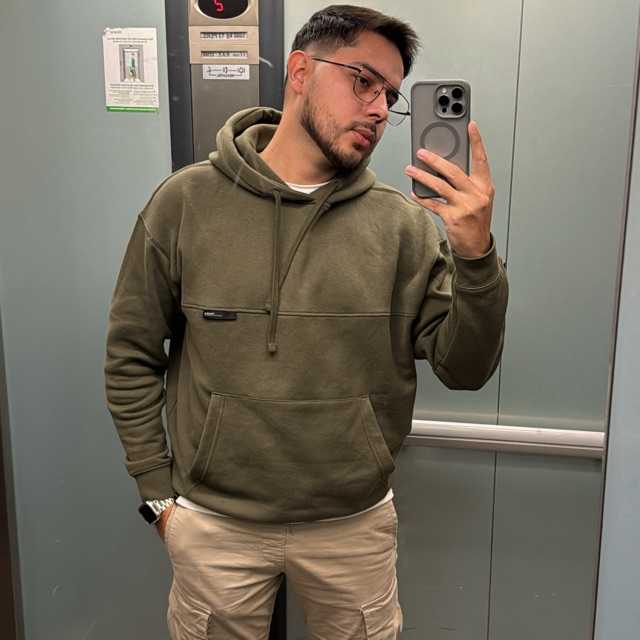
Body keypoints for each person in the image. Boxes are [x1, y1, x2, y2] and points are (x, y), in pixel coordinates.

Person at [104, 4, 508, 639]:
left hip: (353, 526)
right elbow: (131, 355)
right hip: (214, 525)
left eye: (391, 95)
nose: (379, 110)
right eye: (363, 81)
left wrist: (476, 255)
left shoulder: (403, 227)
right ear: (299, 71)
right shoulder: (185, 203)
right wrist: (157, 494)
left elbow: (467, 369)